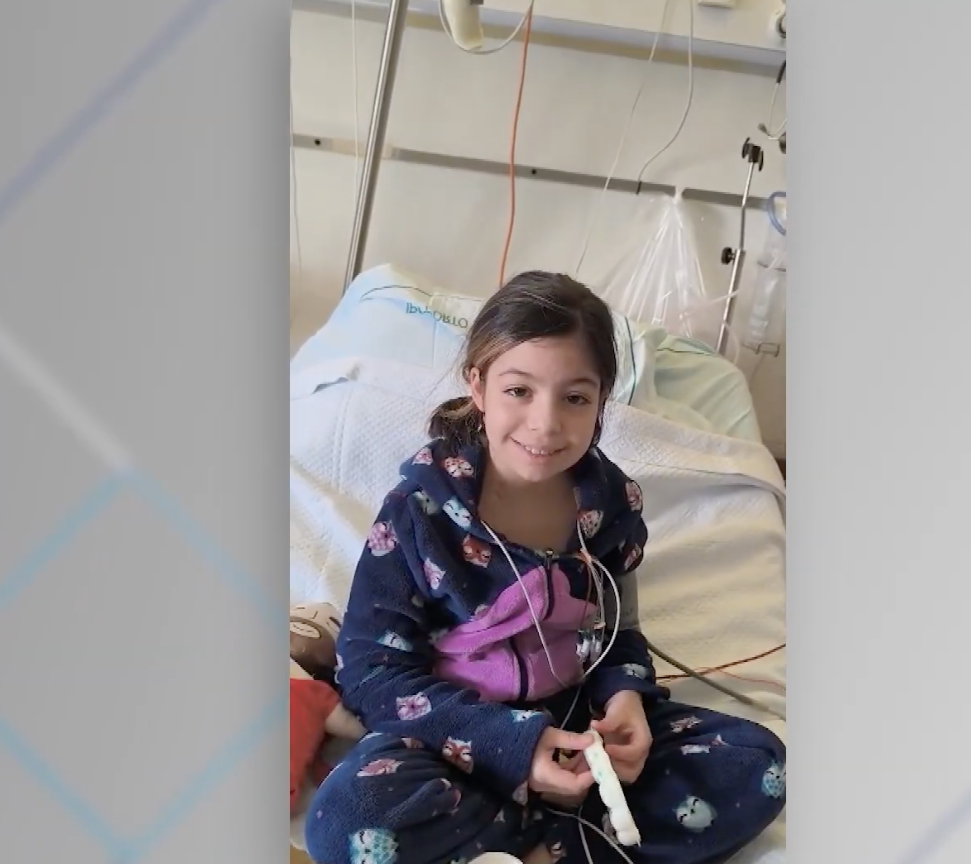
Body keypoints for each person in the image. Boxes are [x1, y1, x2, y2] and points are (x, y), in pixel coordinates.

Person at [303, 272, 786, 864]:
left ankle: (540, 845)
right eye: (519, 391)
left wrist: (626, 698)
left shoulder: (609, 506)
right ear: (478, 385)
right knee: (348, 820)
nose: (545, 423)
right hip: (452, 732)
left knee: (757, 762)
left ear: (601, 401)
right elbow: (370, 672)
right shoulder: (419, 510)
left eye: (574, 398)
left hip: (580, 726)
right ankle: (570, 840)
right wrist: (513, 748)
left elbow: (619, 632)